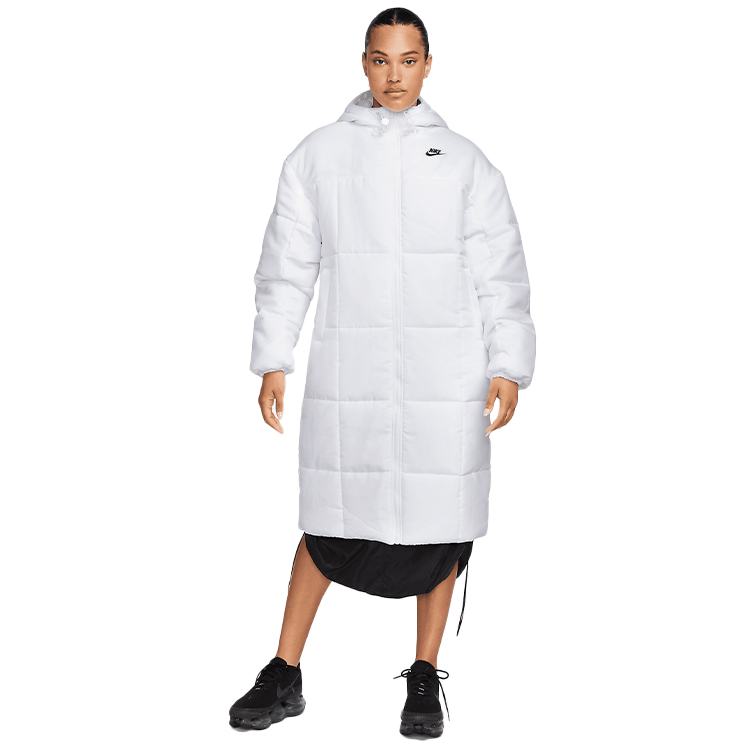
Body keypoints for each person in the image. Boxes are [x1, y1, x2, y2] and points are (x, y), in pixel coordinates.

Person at [229, 7, 536, 739]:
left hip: (445, 371)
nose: (394, 75)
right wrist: (273, 357)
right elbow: (286, 264)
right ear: (362, 62)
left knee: (442, 523)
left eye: (408, 59)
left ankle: (424, 674)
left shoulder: (465, 162)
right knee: (329, 520)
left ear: (429, 64)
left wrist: (508, 363)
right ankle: (285, 669)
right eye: (380, 59)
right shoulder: (318, 155)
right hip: (352, 369)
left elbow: (500, 269)